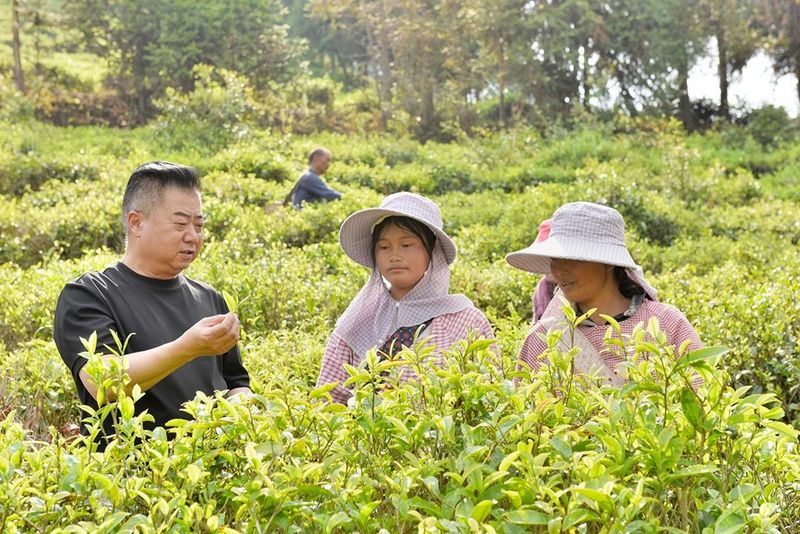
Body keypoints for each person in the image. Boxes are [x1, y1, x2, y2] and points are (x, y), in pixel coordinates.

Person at [54, 161, 251, 444]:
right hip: (131, 478)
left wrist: (240, 416)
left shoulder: (210, 298)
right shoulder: (89, 294)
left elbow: (236, 382)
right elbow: (102, 381)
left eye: (199, 225)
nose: (193, 236)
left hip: (210, 473)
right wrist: (187, 348)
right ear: (137, 223)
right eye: (181, 223)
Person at [317, 192, 494, 404]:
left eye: (407, 245)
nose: (394, 255)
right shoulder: (358, 319)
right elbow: (327, 401)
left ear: (432, 251)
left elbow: (489, 395)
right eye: (384, 247)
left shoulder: (466, 321)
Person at [505, 201, 702, 387]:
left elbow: (702, 402)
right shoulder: (543, 338)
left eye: (572, 259)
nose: (559, 271)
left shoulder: (666, 323)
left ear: (608, 262)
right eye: (555, 259)